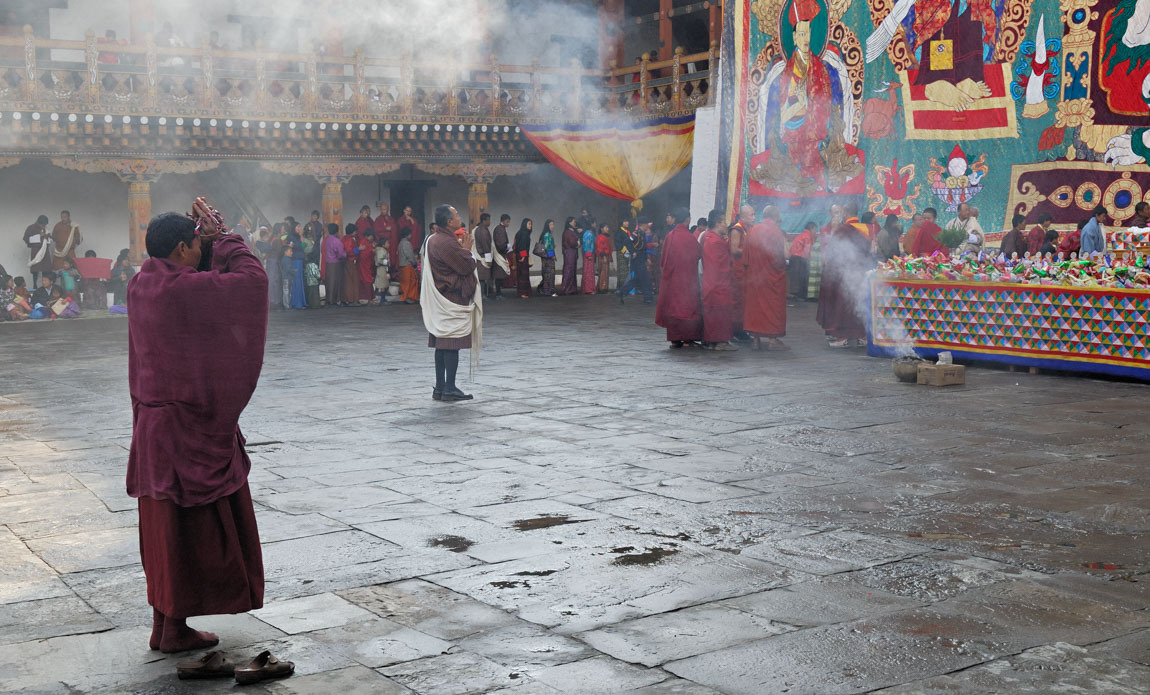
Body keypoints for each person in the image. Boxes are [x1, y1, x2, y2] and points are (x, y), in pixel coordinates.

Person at [126, 200, 269, 656]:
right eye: (196, 247)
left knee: (166, 535)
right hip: (187, 429)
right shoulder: (184, 292)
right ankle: (172, 628)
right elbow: (251, 282)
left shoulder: (140, 284)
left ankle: (167, 626)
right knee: (189, 534)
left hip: (153, 431)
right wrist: (224, 236)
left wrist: (203, 238)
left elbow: (201, 278)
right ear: (185, 247)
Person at [423, 204, 480, 402]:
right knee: (452, 342)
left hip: (441, 298)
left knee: (442, 343)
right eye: (456, 214)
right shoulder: (446, 242)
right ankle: (449, 388)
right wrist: (467, 250)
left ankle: (440, 387)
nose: (459, 216)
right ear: (449, 221)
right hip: (451, 297)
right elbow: (466, 266)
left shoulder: (434, 239)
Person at [816, 202, 871, 348]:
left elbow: (834, 250)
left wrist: (834, 232)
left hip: (844, 272)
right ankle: (862, 335)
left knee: (842, 304)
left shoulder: (844, 229)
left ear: (845, 213)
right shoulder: (866, 228)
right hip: (860, 270)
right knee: (858, 303)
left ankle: (842, 337)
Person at [655, 208, 703, 348]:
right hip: (687, 281)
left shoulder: (670, 236)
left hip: (672, 279)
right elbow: (699, 254)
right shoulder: (689, 238)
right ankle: (688, 338)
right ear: (687, 219)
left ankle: (675, 339)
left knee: (673, 307)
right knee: (687, 308)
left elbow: (663, 260)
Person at [745, 206, 789, 351]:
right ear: (776, 217)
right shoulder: (776, 232)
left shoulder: (752, 230)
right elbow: (782, 256)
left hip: (755, 278)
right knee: (773, 306)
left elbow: (746, 255)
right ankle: (772, 339)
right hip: (772, 278)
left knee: (755, 308)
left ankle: (756, 340)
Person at [700, 210, 738, 351]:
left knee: (711, 313)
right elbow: (722, 265)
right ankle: (721, 342)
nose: (726, 226)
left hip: (709, 282)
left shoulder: (708, 237)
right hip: (719, 284)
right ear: (718, 223)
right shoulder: (716, 242)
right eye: (724, 222)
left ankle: (711, 341)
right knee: (721, 312)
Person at [728, 205, 754, 340]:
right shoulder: (737, 229)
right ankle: (735, 330)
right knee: (737, 300)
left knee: (745, 301)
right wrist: (751, 251)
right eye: (752, 215)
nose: (754, 217)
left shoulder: (748, 229)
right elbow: (734, 250)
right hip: (737, 271)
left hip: (746, 271)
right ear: (743, 216)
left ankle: (742, 329)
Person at [616, 218, 652, 304]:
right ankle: (648, 298)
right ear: (643, 224)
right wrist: (633, 252)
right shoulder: (636, 233)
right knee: (645, 279)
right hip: (637, 259)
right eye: (647, 224)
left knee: (637, 279)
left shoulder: (642, 233)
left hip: (641, 258)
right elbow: (627, 241)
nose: (648, 226)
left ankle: (622, 292)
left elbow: (643, 248)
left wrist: (646, 258)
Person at [788, 222, 814, 300]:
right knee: (802, 276)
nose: (815, 232)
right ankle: (802, 296)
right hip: (800, 258)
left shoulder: (801, 234)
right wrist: (809, 260)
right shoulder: (807, 236)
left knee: (796, 277)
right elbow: (807, 250)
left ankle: (797, 295)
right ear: (812, 229)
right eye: (815, 230)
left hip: (794, 257)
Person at [472, 213, 495, 298]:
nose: (490, 222)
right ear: (484, 220)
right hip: (482, 257)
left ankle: (483, 295)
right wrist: (488, 259)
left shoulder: (479, 229)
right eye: (488, 220)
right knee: (482, 278)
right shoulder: (483, 231)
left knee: (482, 277)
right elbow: (486, 245)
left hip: (480, 256)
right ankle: (482, 295)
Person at [24, 214, 52, 285]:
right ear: (39, 222)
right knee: (36, 270)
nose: (44, 226)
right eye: (43, 224)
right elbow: (26, 239)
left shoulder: (46, 229)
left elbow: (51, 240)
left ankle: (45, 284)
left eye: (45, 225)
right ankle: (35, 285)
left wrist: (47, 237)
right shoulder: (31, 228)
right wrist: (39, 236)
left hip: (45, 251)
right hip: (36, 251)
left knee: (46, 269)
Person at [323, 223, 346, 307]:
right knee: (335, 282)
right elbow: (340, 254)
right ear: (337, 231)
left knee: (329, 281)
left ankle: (328, 299)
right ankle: (334, 300)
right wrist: (345, 255)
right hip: (335, 263)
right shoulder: (337, 241)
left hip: (328, 263)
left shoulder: (327, 240)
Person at [373, 204, 397, 278]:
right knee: (382, 260)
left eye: (385, 209)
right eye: (383, 209)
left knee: (392, 260)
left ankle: (392, 277)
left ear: (388, 210)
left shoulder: (391, 219)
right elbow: (376, 230)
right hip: (382, 245)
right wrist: (385, 229)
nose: (384, 211)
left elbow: (395, 231)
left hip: (391, 244)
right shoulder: (378, 219)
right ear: (380, 210)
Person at [492, 214, 512, 299]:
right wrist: (506, 247)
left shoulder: (500, 229)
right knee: (499, 275)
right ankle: (498, 293)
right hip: (499, 254)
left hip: (499, 253)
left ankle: (499, 292)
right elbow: (501, 244)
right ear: (504, 221)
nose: (509, 224)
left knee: (499, 275)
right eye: (508, 222)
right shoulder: (500, 230)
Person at [398, 228, 420, 304]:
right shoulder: (406, 243)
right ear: (408, 234)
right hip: (407, 264)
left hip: (402, 265)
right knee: (411, 281)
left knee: (405, 282)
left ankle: (406, 296)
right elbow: (409, 255)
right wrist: (414, 263)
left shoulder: (401, 243)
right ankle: (409, 297)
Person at [536, 219, 558, 297]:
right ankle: (549, 291)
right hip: (548, 258)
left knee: (545, 274)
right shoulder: (548, 235)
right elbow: (548, 248)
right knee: (550, 274)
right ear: (547, 226)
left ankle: (544, 290)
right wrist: (552, 256)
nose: (553, 226)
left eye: (553, 224)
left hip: (544, 258)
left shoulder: (544, 234)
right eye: (551, 224)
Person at [513, 218, 533, 298]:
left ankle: (522, 292)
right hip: (522, 256)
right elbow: (522, 246)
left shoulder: (519, 233)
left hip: (519, 254)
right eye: (529, 224)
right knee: (523, 274)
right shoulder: (524, 234)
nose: (530, 226)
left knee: (521, 274)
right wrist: (524, 256)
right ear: (525, 224)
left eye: (531, 224)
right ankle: (523, 293)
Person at [341, 223, 361, 305]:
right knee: (352, 281)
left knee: (348, 280)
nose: (356, 233)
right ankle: (352, 299)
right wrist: (358, 249)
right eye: (355, 231)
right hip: (350, 261)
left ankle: (348, 299)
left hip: (346, 262)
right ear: (352, 232)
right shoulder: (350, 240)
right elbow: (349, 251)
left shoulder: (344, 238)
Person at [561, 217, 580, 295]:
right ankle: (567, 288)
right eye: (573, 221)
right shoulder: (568, 232)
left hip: (571, 252)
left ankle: (571, 288)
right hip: (570, 252)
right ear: (569, 223)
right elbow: (572, 243)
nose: (575, 223)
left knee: (571, 270)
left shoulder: (570, 231)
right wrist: (578, 243)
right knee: (569, 270)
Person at [358, 230, 376, 302]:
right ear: (366, 236)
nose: (372, 238)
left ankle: (370, 298)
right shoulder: (363, 242)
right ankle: (368, 298)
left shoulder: (368, 242)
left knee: (367, 279)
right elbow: (363, 254)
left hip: (367, 264)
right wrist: (372, 250)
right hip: (364, 264)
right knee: (367, 279)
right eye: (371, 236)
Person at [614, 219, 632, 290]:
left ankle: (624, 287)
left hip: (628, 253)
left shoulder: (628, 232)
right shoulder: (619, 232)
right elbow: (618, 243)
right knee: (622, 271)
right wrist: (624, 250)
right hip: (621, 253)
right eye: (625, 221)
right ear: (622, 223)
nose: (627, 223)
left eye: (627, 221)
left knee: (626, 270)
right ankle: (621, 287)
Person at [595, 223, 613, 293]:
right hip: (603, 257)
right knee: (603, 272)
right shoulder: (600, 237)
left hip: (606, 256)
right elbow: (599, 248)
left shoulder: (606, 237)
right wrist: (604, 256)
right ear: (601, 229)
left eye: (608, 227)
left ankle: (604, 287)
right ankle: (602, 288)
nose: (607, 229)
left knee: (605, 272)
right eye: (606, 227)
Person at [581, 222, 596, 294]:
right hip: (589, 254)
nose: (595, 225)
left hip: (588, 254)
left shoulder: (587, 233)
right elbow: (587, 244)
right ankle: (589, 289)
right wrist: (589, 254)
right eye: (594, 223)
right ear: (591, 224)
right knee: (589, 272)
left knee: (587, 271)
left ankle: (585, 288)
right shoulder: (589, 233)